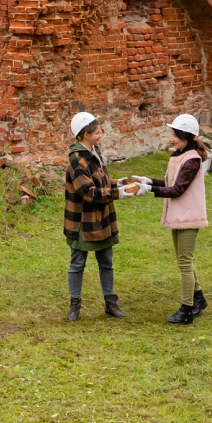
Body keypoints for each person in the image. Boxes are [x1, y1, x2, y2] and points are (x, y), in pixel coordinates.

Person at [62, 112, 145, 322]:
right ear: (85, 134)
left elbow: (103, 182)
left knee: (106, 262)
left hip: (102, 218)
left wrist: (123, 182)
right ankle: (74, 306)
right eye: (97, 132)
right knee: (77, 263)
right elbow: (89, 192)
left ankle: (110, 303)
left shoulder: (94, 152)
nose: (101, 135)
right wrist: (121, 193)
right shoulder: (76, 160)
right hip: (83, 221)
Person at [132, 113, 209, 325]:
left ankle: (186, 310)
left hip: (189, 217)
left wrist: (148, 190)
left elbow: (177, 190)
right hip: (180, 216)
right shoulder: (180, 155)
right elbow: (169, 182)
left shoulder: (192, 159)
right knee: (184, 260)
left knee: (185, 263)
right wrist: (148, 181)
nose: (171, 138)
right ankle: (198, 298)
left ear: (185, 136)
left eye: (174, 135)